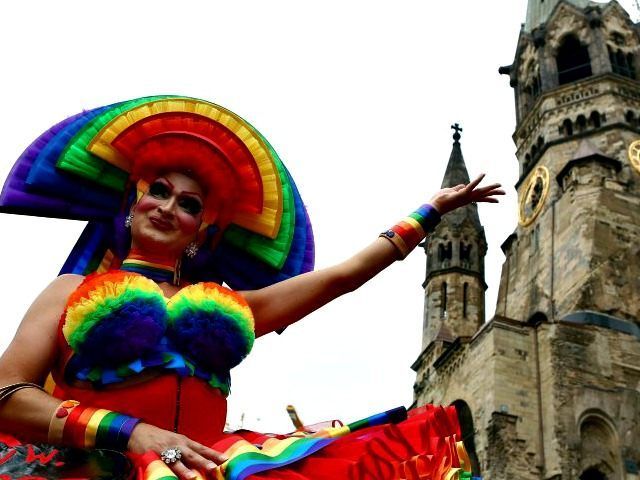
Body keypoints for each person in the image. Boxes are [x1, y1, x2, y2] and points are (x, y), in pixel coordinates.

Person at [0, 96, 504, 480]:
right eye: (159, 191)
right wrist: (131, 433)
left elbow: (342, 277)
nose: (169, 208)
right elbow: (6, 392)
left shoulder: (226, 308)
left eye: (189, 204)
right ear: (133, 203)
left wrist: (429, 212)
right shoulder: (70, 290)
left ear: (201, 230)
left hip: (213, 467)